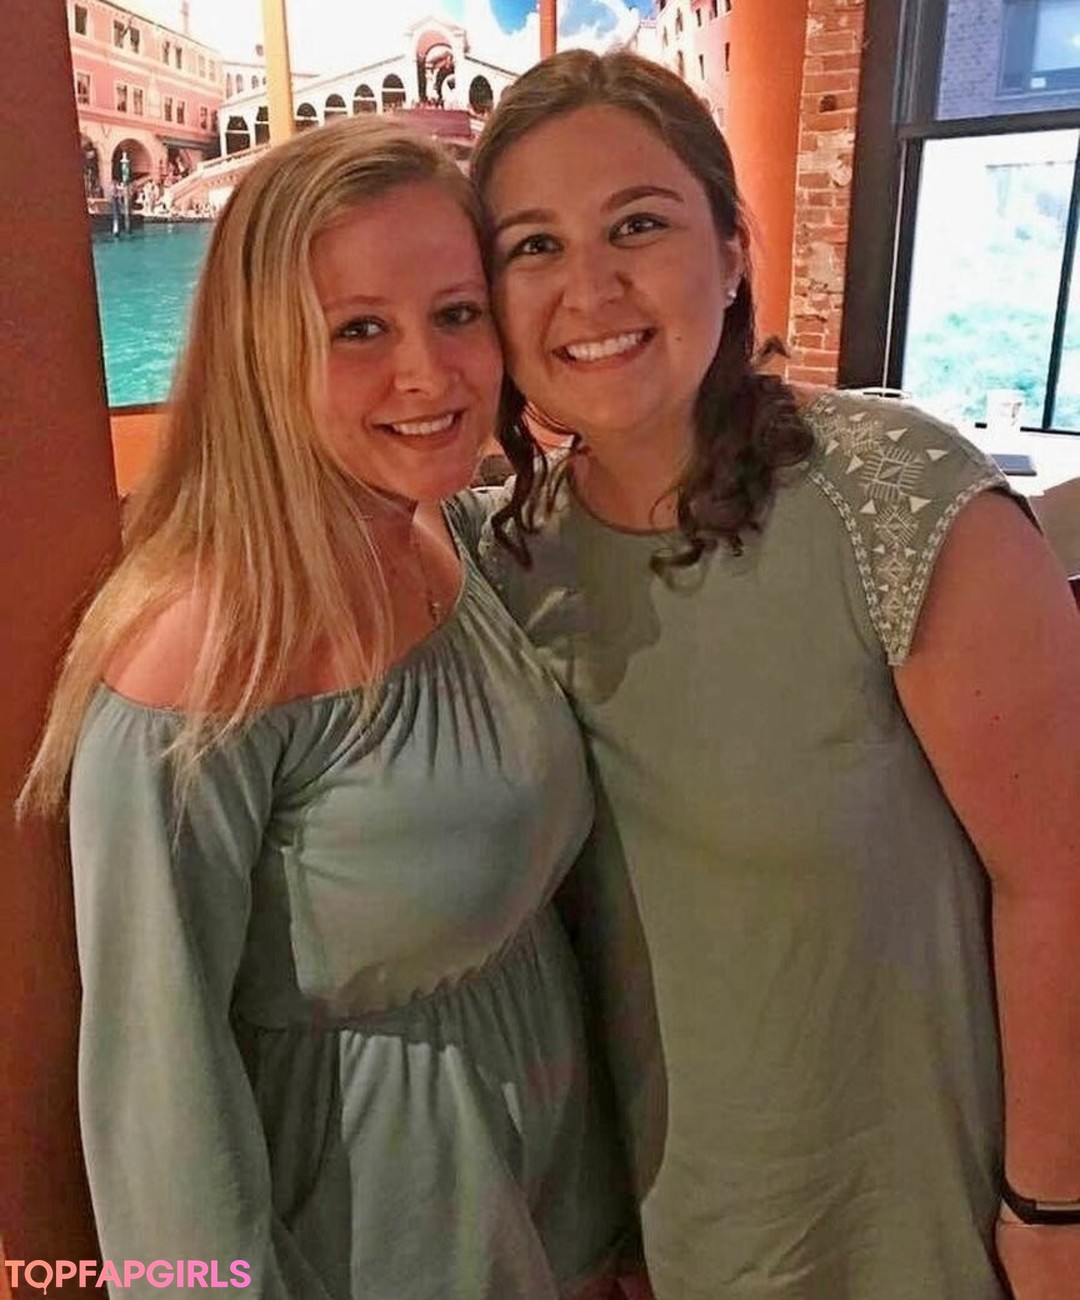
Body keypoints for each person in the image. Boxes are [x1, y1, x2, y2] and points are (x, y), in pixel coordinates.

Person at [469, 49, 1080, 1300]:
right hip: (665, 1228)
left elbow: (1060, 878)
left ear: (734, 249)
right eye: (533, 246)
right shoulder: (505, 562)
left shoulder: (894, 503)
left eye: (638, 224)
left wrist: (1052, 1209)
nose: (590, 287)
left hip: (927, 1227)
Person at [18, 116, 637, 1299]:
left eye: (456, 314)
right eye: (359, 329)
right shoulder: (203, 655)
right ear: (261, 351)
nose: (430, 374)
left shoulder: (442, 533)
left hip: (549, 1204)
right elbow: (158, 1095)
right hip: (376, 1240)